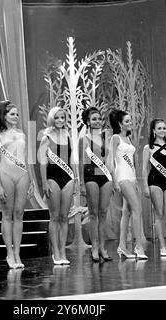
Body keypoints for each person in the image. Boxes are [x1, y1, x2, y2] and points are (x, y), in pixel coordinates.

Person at [0, 101, 35, 269]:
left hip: (22, 174)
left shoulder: (22, 134)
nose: (16, 117)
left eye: (17, 114)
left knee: (19, 213)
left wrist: (31, 180)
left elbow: (26, 158)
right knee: (7, 214)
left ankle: (17, 252)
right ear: (3, 116)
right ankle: (9, 252)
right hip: (5, 175)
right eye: (12, 114)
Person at [38, 107, 79, 265]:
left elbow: (72, 159)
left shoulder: (67, 135)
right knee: (54, 217)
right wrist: (44, 182)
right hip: (52, 178)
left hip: (68, 177)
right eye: (57, 118)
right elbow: (42, 162)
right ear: (52, 119)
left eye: (63, 117)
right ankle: (55, 251)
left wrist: (76, 179)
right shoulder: (46, 137)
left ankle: (62, 251)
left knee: (64, 216)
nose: (61, 120)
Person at [106, 109, 147, 260]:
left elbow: (133, 163)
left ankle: (122, 246)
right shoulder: (115, 138)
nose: (131, 124)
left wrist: (136, 179)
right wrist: (114, 180)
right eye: (127, 121)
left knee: (127, 212)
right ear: (119, 124)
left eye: (131, 121)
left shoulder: (128, 139)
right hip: (122, 177)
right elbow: (110, 161)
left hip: (131, 177)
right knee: (137, 208)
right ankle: (139, 246)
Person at [142, 118, 166, 257]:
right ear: (153, 131)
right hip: (154, 182)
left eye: (164, 128)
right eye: (159, 128)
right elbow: (144, 168)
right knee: (159, 214)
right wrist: (145, 186)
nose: (162, 130)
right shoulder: (149, 148)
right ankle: (162, 246)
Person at [79, 107, 113, 262]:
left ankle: (103, 248)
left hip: (105, 176)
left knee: (103, 213)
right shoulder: (84, 139)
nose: (97, 121)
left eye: (99, 118)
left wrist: (113, 178)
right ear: (88, 121)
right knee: (93, 214)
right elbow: (81, 162)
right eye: (94, 119)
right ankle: (94, 247)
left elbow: (110, 160)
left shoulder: (107, 137)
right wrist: (80, 183)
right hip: (91, 175)